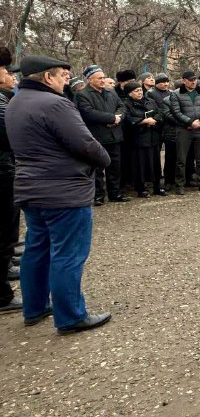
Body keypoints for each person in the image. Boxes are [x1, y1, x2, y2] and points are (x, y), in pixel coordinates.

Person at [6, 55, 112, 334]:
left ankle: (35, 307)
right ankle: (71, 315)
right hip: (63, 190)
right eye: (62, 76)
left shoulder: (15, 101)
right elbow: (84, 143)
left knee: (36, 249)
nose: (67, 80)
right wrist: (104, 158)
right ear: (47, 77)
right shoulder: (55, 104)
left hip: (31, 188)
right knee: (67, 253)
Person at [76, 65, 128, 205]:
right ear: (89, 80)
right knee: (98, 169)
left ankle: (115, 193)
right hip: (97, 137)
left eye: (104, 77)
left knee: (115, 167)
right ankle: (98, 195)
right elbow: (88, 113)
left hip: (114, 135)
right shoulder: (82, 95)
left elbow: (122, 106)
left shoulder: (111, 92)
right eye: (99, 78)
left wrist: (118, 117)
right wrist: (111, 118)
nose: (103, 80)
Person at [0, 48, 21, 313]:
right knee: (3, 232)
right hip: (2, 171)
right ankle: (2, 296)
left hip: (6, 167)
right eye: (5, 70)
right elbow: (10, 134)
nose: (9, 75)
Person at [170, 71, 200, 194]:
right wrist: (190, 122)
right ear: (184, 81)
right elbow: (176, 112)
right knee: (181, 159)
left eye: (195, 80)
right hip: (184, 130)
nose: (193, 82)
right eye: (190, 80)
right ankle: (180, 185)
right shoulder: (176, 94)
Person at [122, 81, 164, 197]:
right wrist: (144, 121)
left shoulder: (150, 101)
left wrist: (154, 120)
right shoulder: (126, 104)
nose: (140, 92)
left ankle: (157, 187)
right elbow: (127, 119)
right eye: (136, 91)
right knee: (140, 164)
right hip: (138, 138)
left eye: (140, 90)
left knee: (156, 163)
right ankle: (141, 188)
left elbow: (159, 113)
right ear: (130, 93)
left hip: (153, 136)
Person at [147, 73, 176, 191]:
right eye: (163, 82)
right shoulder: (151, 93)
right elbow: (153, 109)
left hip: (169, 127)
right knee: (156, 155)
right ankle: (155, 178)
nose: (165, 84)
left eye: (167, 82)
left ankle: (169, 179)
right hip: (157, 127)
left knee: (170, 155)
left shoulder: (171, 94)